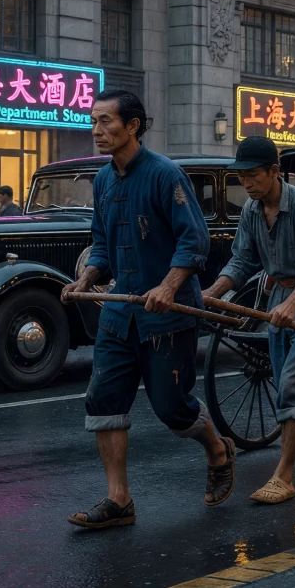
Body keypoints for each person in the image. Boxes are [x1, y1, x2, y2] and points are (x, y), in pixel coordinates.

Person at [61, 89, 234, 529]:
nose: (97, 131)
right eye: (93, 122)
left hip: (167, 313)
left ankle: (218, 449)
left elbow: (194, 241)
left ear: (132, 125)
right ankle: (119, 500)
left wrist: (169, 285)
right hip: (121, 312)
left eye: (105, 122)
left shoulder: (165, 175)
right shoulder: (102, 180)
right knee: (103, 399)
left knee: (172, 408)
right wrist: (87, 278)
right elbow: (101, 244)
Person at [202, 137, 295, 505]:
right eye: (242, 177)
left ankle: (283, 476)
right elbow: (241, 262)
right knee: (289, 384)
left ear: (274, 171)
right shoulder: (252, 212)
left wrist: (294, 303)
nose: (247, 184)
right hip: (279, 299)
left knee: (291, 387)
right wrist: (212, 292)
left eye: (254, 175)